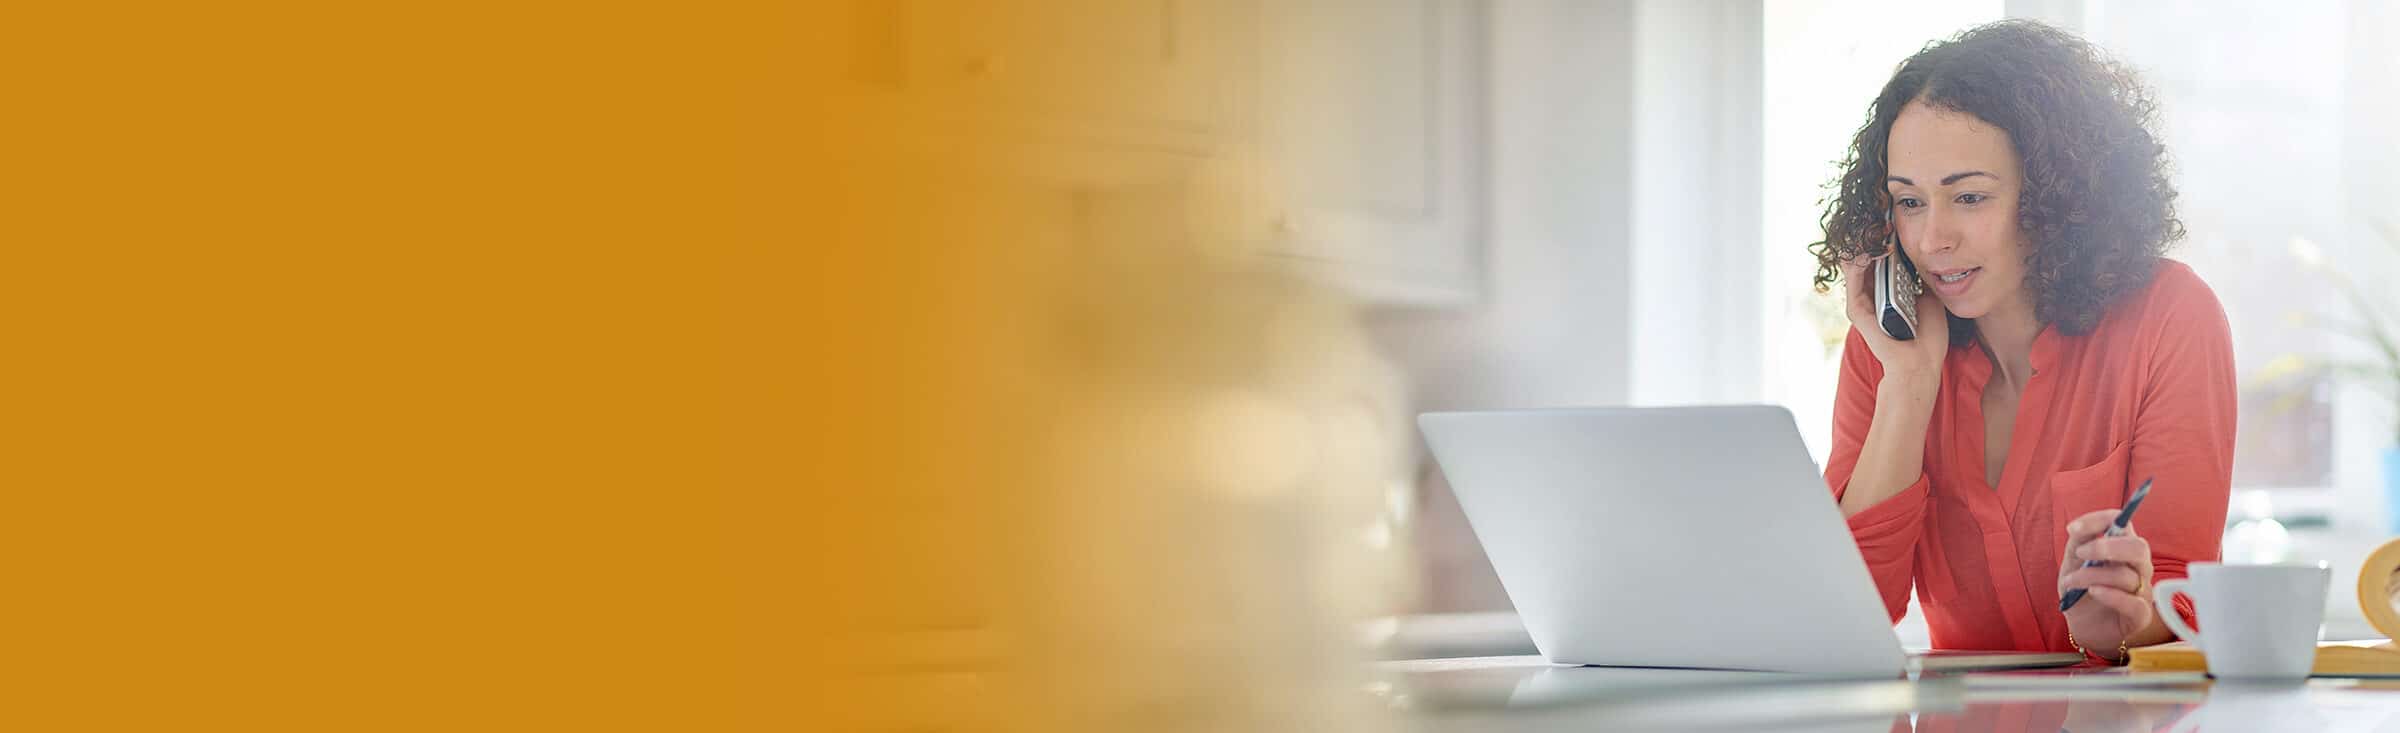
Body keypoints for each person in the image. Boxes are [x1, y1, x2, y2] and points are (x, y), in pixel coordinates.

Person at [1809, 20, 2234, 664]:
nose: (1931, 240)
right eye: (1909, 202)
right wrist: (1910, 385)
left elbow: (2182, 595)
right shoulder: (1888, 349)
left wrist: (2117, 620)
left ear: (2057, 198)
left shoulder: (2170, 317)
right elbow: (1844, 614)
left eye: (1969, 197)